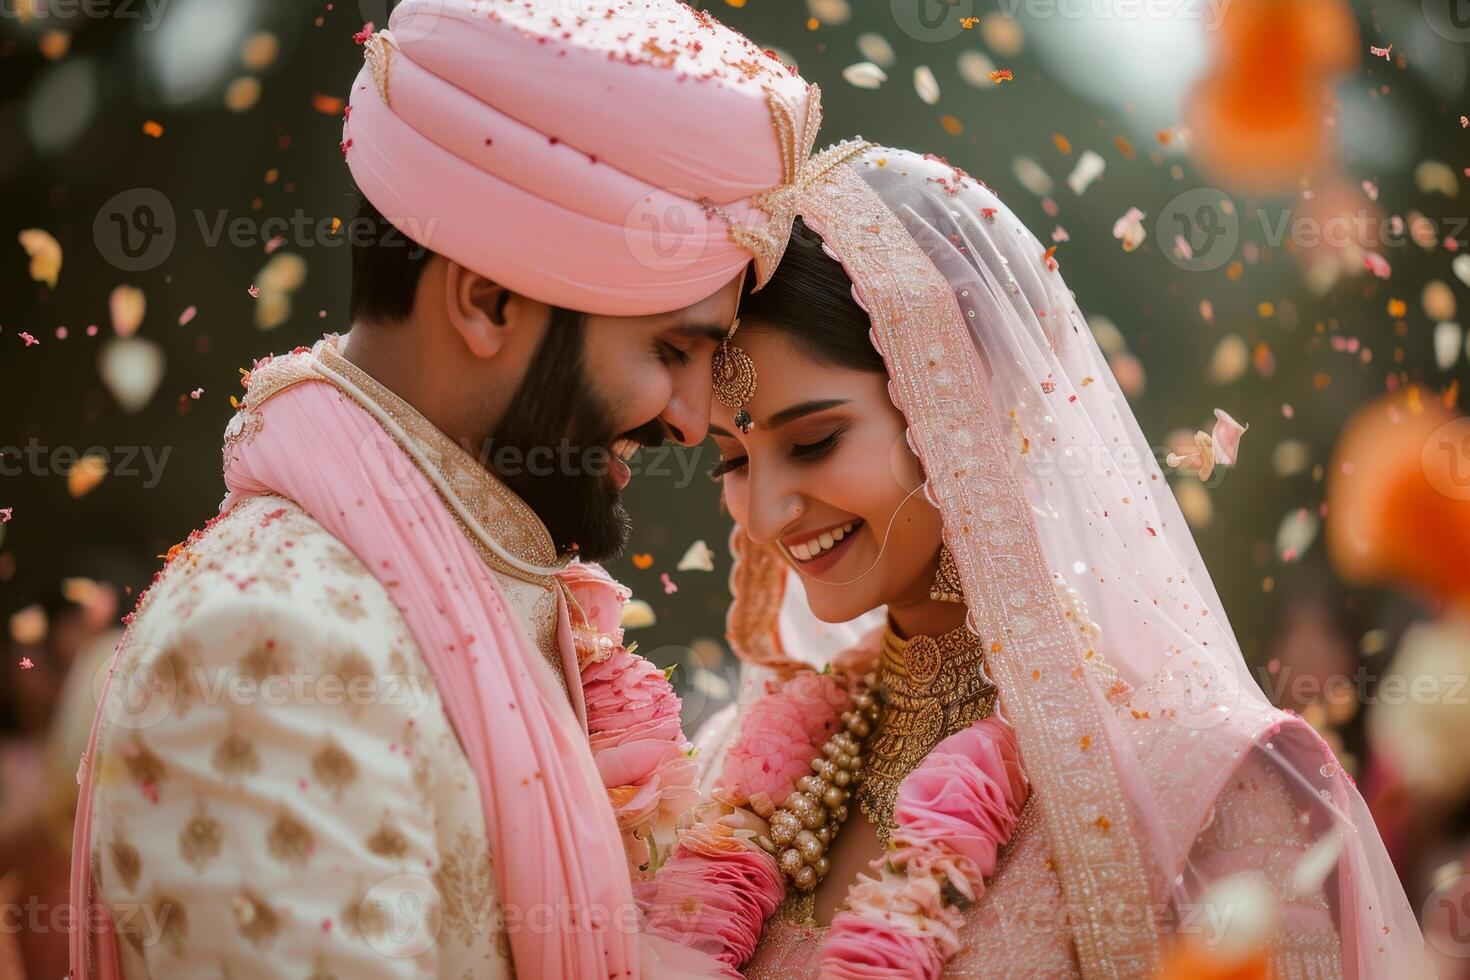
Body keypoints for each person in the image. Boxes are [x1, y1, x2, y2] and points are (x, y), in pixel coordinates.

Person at [66, 1, 858, 976]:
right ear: (486, 301)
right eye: (670, 349)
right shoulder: (267, 642)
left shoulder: (466, 574)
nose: (693, 419)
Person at [640, 147, 1429, 978]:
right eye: (731, 460)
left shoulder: (1205, 785)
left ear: (963, 406)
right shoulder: (740, 771)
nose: (765, 514)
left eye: (814, 442)